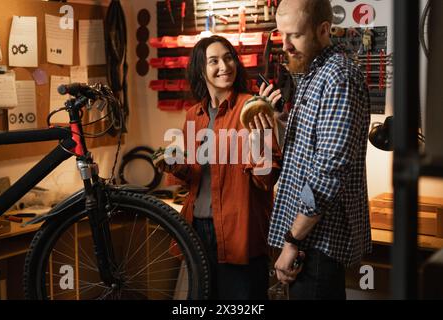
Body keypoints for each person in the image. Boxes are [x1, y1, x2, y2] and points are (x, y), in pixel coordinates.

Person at [154, 35, 283, 300]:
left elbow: (267, 178)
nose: (224, 66)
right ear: (201, 70)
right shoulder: (194, 115)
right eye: (214, 61)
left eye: (228, 58)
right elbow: (194, 178)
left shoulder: (252, 107)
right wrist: (174, 164)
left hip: (240, 231)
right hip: (198, 229)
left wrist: (259, 141)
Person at [265, 0, 372, 300]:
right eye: (281, 34)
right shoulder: (313, 73)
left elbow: (328, 172)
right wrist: (282, 118)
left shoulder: (339, 78)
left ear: (324, 29)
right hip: (308, 240)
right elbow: (311, 150)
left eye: (295, 35)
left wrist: (292, 241)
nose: (285, 45)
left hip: (317, 242)